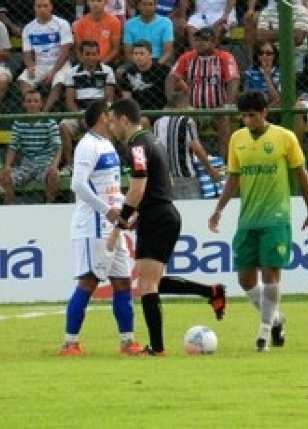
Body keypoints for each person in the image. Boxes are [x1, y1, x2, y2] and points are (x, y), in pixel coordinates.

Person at [208, 91, 308, 352]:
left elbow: (302, 176)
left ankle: (265, 331)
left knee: (271, 272)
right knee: (245, 279)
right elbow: (234, 177)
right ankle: (277, 318)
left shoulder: (284, 138)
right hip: (248, 219)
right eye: (244, 116)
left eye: (252, 115)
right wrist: (219, 209)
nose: (248, 121)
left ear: (264, 113)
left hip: (276, 217)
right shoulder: (237, 139)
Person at [59, 100, 142, 357]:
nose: (112, 116)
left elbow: (111, 187)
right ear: (100, 117)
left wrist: (122, 214)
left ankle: (127, 342)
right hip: (93, 226)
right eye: (108, 112)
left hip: (113, 226)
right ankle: (70, 343)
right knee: (88, 281)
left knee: (122, 282)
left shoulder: (107, 145)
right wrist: (107, 210)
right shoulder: (87, 145)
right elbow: (78, 185)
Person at [108, 97, 182, 356]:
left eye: (113, 121)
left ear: (124, 120)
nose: (112, 127)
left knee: (147, 285)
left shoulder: (137, 146)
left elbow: (137, 189)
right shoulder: (151, 141)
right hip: (160, 214)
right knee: (148, 280)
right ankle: (209, 293)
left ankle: (157, 348)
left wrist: (118, 225)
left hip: (158, 217)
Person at [167, 26, 240, 157]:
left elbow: (233, 80)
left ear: (214, 42)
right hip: (194, 108)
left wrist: (227, 106)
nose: (200, 43)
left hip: (219, 108)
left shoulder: (225, 57)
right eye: (197, 40)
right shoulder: (187, 58)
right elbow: (171, 78)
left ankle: (225, 163)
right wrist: (171, 100)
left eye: (205, 40)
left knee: (224, 121)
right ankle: (191, 160)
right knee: (184, 118)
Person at [59, 40, 115, 175]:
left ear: (98, 55)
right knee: (63, 126)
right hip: (79, 113)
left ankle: (106, 163)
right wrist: (81, 117)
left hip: (100, 112)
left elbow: (109, 99)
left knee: (109, 124)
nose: (90, 57)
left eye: (94, 54)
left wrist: (96, 116)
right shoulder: (72, 73)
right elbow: (69, 101)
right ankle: (70, 164)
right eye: (87, 54)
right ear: (81, 55)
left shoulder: (107, 71)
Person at [153, 92, 220, 199]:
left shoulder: (157, 123)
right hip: (186, 177)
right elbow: (196, 148)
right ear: (181, 105)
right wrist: (211, 169)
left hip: (165, 177)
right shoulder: (187, 121)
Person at [0, 90, 61, 204]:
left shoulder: (50, 122)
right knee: (4, 177)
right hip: (26, 165)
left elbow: (57, 147)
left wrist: (54, 166)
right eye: (29, 101)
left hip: (45, 164)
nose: (32, 104)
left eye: (35, 101)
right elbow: (12, 147)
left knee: (54, 176)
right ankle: (11, 209)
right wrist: (7, 166)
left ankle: (49, 206)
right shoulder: (19, 123)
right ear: (24, 104)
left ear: (41, 104)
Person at [18, 0, 73, 112]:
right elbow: (27, 54)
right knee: (23, 81)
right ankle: (34, 109)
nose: (42, 9)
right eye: (39, 6)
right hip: (39, 64)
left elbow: (65, 52)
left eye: (45, 6)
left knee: (58, 82)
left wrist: (53, 72)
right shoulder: (28, 28)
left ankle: (44, 113)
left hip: (60, 64)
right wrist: (30, 66)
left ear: (51, 7)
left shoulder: (62, 24)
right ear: (34, 8)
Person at [118, 40, 170, 127]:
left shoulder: (163, 71)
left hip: (161, 110)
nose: (138, 57)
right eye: (135, 54)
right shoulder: (127, 73)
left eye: (142, 54)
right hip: (138, 112)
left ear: (150, 54)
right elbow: (128, 99)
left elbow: (171, 94)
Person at [123, 0, 173, 66]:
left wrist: (156, 66)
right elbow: (128, 53)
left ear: (155, 6)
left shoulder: (166, 22)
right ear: (138, 6)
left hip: (158, 61)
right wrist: (140, 65)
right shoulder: (129, 24)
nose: (147, 7)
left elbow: (168, 51)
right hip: (137, 60)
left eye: (150, 4)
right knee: (120, 72)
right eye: (144, 4)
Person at [72, 0, 121, 65]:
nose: (95, 4)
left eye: (99, 1)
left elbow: (115, 49)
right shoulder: (79, 23)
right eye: (92, 1)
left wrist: (100, 65)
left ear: (105, 2)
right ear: (87, 2)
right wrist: (85, 64)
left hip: (107, 63)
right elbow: (77, 49)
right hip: (85, 64)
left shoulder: (114, 22)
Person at [242, 41, 281, 108]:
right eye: (261, 53)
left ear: (274, 55)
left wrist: (267, 77)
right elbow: (248, 96)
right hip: (256, 107)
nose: (264, 56)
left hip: (276, 108)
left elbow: (279, 99)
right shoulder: (250, 72)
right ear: (257, 56)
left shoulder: (281, 73)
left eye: (268, 53)